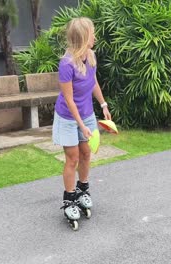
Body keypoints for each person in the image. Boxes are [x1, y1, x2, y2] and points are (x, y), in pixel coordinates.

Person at [52, 17, 111, 229]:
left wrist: (103, 104)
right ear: (84, 37)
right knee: (72, 158)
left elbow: (93, 82)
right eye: (92, 33)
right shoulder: (66, 64)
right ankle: (69, 200)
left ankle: (83, 189)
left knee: (87, 152)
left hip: (86, 113)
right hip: (68, 117)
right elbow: (69, 99)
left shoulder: (91, 56)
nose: (95, 36)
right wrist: (82, 125)